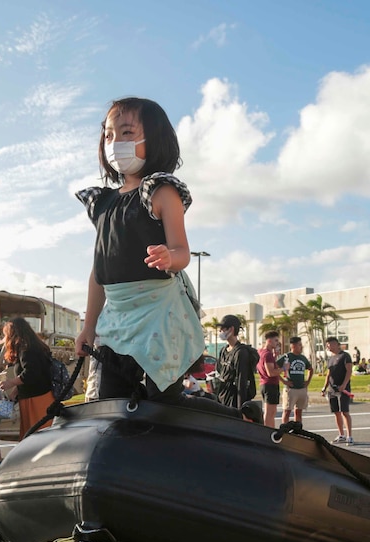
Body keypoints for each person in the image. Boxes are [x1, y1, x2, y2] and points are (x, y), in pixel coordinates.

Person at [72, 97, 259, 423]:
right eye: (109, 136)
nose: (116, 143)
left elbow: (182, 251)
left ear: (153, 138)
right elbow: (98, 274)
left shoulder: (160, 191)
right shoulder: (101, 203)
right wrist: (88, 326)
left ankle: (237, 418)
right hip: (116, 318)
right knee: (112, 403)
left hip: (157, 313)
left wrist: (168, 258)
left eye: (127, 132)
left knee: (164, 405)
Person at [0, 317, 54, 439]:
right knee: (37, 436)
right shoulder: (32, 346)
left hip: (36, 398)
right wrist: (16, 391)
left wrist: (11, 383)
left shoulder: (26, 349)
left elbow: (31, 373)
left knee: (36, 437)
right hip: (38, 396)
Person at [214, 314, 259, 409]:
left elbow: (241, 382)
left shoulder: (241, 352)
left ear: (231, 329)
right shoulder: (223, 351)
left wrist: (240, 409)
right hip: (222, 397)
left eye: (223, 329)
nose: (220, 331)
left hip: (234, 400)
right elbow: (219, 372)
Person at [323, 337, 354, 444]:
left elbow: (349, 371)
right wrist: (324, 387)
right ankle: (341, 434)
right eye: (327, 345)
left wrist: (344, 385)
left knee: (344, 412)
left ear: (336, 344)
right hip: (332, 390)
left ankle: (349, 436)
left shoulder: (345, 356)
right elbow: (328, 374)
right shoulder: (330, 358)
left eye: (329, 344)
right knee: (336, 412)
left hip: (343, 389)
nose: (328, 347)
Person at [278, 336, 313, 424]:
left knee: (299, 412)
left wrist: (308, 381)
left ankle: (297, 430)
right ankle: (285, 429)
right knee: (287, 411)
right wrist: (284, 381)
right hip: (291, 389)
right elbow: (274, 370)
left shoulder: (303, 358)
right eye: (299, 345)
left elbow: (310, 369)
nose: (301, 347)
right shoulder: (287, 357)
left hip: (301, 388)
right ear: (293, 346)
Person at [258, 330, 281, 427]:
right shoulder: (267, 354)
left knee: (271, 411)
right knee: (270, 412)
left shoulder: (261, 352)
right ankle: (268, 432)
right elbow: (271, 372)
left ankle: (270, 430)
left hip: (265, 384)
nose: (277, 343)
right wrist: (284, 368)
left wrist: (274, 357)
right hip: (270, 384)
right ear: (269, 341)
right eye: (275, 340)